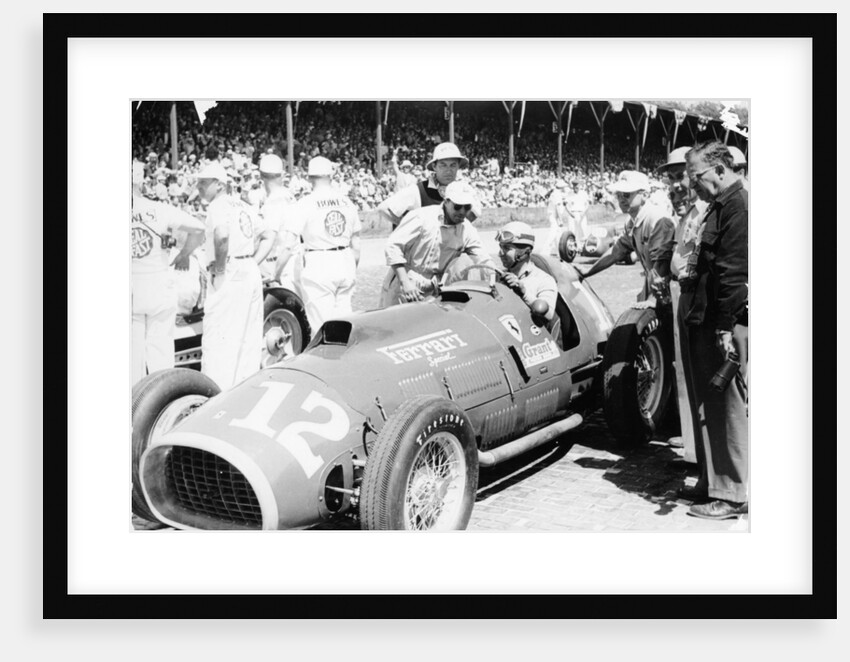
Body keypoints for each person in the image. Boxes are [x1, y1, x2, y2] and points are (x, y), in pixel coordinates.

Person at [681, 141, 749, 520]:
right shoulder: (721, 204)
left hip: (721, 323)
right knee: (709, 405)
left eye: (696, 177)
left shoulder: (738, 206)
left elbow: (735, 274)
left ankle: (732, 494)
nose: (692, 185)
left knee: (725, 405)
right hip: (705, 317)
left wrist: (726, 327)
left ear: (720, 170)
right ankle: (713, 483)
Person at [196, 161, 276, 389]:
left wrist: (220, 268)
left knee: (218, 336)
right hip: (247, 267)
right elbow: (269, 235)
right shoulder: (243, 205)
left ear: (219, 185)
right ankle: (244, 391)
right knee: (247, 337)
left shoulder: (217, 205)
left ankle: (216, 392)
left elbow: (222, 236)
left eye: (204, 183)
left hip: (229, 269)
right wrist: (253, 261)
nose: (199, 187)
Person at [131, 161, 205, 385]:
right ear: (141, 182)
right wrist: (184, 254)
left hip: (132, 286)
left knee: (130, 358)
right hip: (159, 284)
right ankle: (162, 399)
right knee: (161, 353)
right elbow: (199, 228)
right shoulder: (161, 209)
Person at [656, 146, 709, 458]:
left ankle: (699, 450)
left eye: (680, 177)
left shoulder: (704, 212)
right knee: (684, 372)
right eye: (671, 179)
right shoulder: (686, 214)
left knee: (697, 371)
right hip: (681, 293)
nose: (675, 186)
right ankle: (692, 446)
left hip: (696, 295)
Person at [276, 156, 361, 331]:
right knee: (344, 322)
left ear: (309, 178)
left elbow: (288, 245)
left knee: (321, 326)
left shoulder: (305, 203)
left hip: (319, 261)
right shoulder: (347, 202)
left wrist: (276, 272)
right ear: (331, 176)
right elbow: (357, 245)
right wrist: (352, 266)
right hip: (345, 259)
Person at [380, 181, 494, 306]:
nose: (462, 212)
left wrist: (497, 274)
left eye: (467, 207)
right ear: (446, 201)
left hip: (434, 287)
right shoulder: (422, 217)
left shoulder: (467, 229)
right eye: (457, 206)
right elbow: (393, 246)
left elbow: (483, 258)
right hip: (405, 281)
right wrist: (405, 282)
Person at [579, 170, 676, 305]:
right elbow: (616, 252)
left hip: (670, 293)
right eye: (618, 195)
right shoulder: (631, 221)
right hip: (654, 289)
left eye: (626, 194)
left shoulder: (657, 219)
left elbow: (662, 265)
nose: (621, 199)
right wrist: (588, 271)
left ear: (644, 195)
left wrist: (651, 300)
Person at [376, 142, 482, 231]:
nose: (448, 170)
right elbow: (384, 209)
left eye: (453, 165)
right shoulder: (419, 190)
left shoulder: (465, 189)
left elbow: (475, 213)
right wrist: (411, 229)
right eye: (443, 165)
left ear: (458, 166)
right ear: (434, 166)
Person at [496, 221, 557, 323]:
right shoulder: (499, 277)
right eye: (501, 247)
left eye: (507, 248)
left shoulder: (545, 280)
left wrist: (523, 293)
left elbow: (548, 314)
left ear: (524, 252)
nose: (500, 254)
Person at [256, 154, 296, 283]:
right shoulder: (287, 195)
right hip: (291, 260)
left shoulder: (275, 200)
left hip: (280, 266)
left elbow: (269, 238)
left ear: (261, 175)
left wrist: (251, 265)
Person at [546, 179, 568, 256]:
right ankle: (545, 251)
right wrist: (560, 219)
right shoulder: (557, 194)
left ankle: (559, 251)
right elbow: (558, 207)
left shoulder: (555, 193)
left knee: (558, 234)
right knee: (552, 233)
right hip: (555, 216)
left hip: (554, 215)